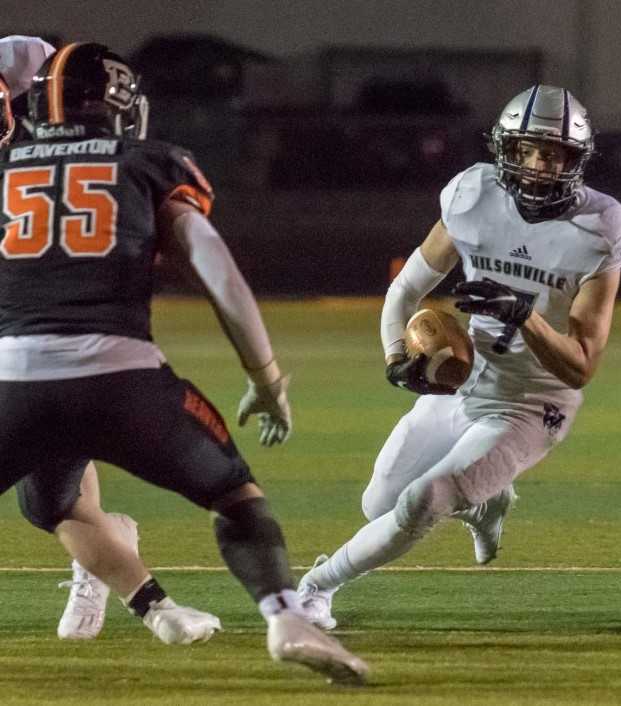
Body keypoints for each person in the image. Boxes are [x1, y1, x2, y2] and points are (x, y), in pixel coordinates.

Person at [0, 42, 368, 684]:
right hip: (124, 379)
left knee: (51, 505)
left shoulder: (5, 166)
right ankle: (286, 618)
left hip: (13, 380)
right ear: (118, 106)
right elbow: (217, 271)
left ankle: (148, 601)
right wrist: (266, 377)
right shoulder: (149, 162)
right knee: (236, 498)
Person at [297, 84, 621, 630]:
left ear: (576, 160)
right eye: (525, 149)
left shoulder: (600, 228)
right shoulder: (472, 195)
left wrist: (525, 315)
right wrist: (395, 357)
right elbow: (403, 291)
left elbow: (581, 365)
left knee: (424, 498)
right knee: (379, 505)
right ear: (504, 148)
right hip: (467, 379)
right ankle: (484, 503)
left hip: (531, 402)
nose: (536, 165)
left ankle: (315, 587)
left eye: (551, 152)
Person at [0, 34, 206, 643]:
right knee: (50, 496)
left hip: (47, 305)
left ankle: (108, 564)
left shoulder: (25, 60)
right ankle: (121, 566)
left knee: (50, 496)